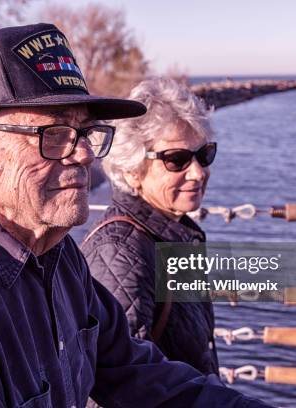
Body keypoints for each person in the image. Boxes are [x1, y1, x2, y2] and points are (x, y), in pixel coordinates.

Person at [0, 24, 271, 407]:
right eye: (53, 135)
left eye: (85, 133)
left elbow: (131, 368)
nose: (81, 154)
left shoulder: (53, 253)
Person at [82, 77, 219, 375]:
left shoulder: (172, 233)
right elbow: (119, 383)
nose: (198, 172)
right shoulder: (120, 253)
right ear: (132, 171)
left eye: (204, 154)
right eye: (177, 159)